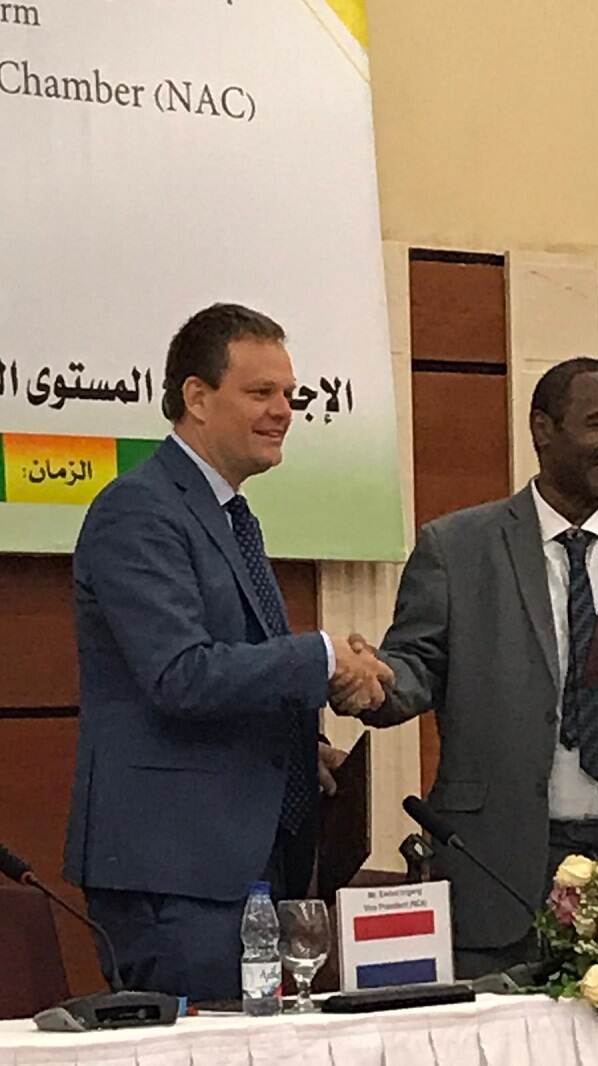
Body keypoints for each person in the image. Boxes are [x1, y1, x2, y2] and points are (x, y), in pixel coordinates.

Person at [337, 357, 598, 978]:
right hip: (501, 862)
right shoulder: (456, 547)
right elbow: (415, 668)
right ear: (543, 428)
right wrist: (380, 682)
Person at [63, 303, 392, 1000]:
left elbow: (233, 672)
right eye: (261, 392)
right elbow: (181, 675)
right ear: (196, 397)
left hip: (242, 869)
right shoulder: (139, 510)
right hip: (174, 877)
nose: (283, 411)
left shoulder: (229, 515)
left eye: (290, 395)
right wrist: (324, 658)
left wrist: (302, 748)